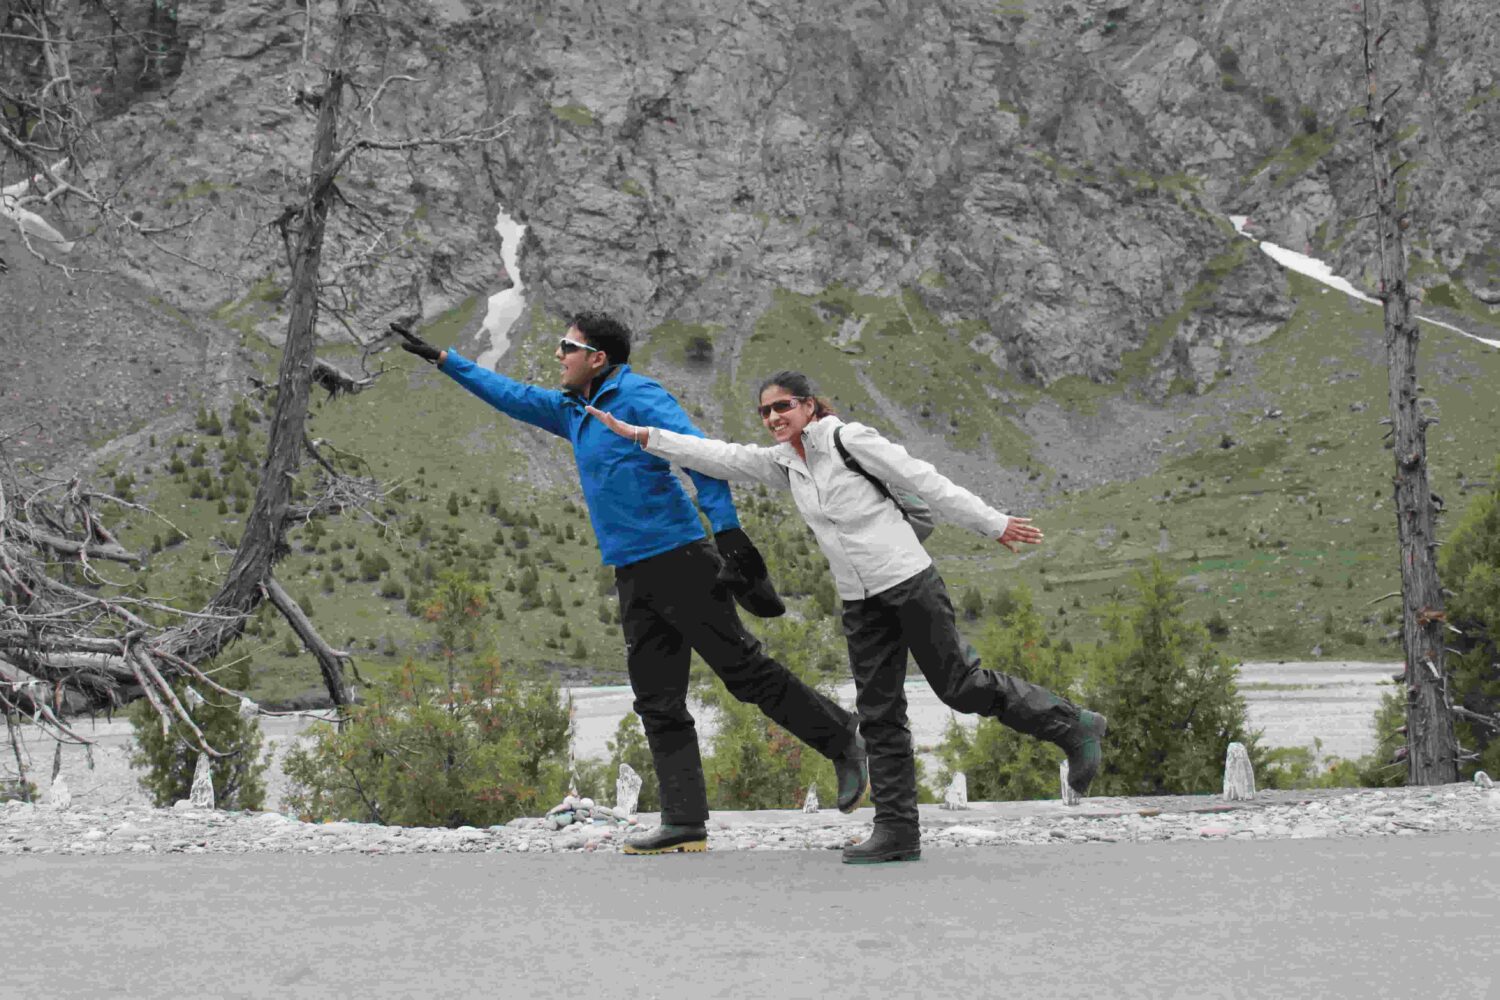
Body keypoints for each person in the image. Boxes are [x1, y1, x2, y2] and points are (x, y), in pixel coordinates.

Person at [587, 370, 1107, 864]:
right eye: (765, 412)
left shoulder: (849, 441)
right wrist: (642, 435)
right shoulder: (784, 463)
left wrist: (994, 524)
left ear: (809, 405)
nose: (772, 418)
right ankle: (897, 831)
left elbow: (927, 481)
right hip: (859, 601)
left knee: (959, 685)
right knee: (879, 713)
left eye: (782, 407)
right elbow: (718, 455)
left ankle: (1074, 725)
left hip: (909, 584)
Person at [390, 317, 867, 855]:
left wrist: (728, 532)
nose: (557, 354)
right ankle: (684, 820)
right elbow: (512, 395)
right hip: (633, 572)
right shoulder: (573, 410)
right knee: (657, 699)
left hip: (681, 559)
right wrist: (446, 361)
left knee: (745, 673)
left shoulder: (639, 396)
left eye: (567, 347)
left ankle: (843, 738)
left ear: (597, 357)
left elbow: (700, 457)